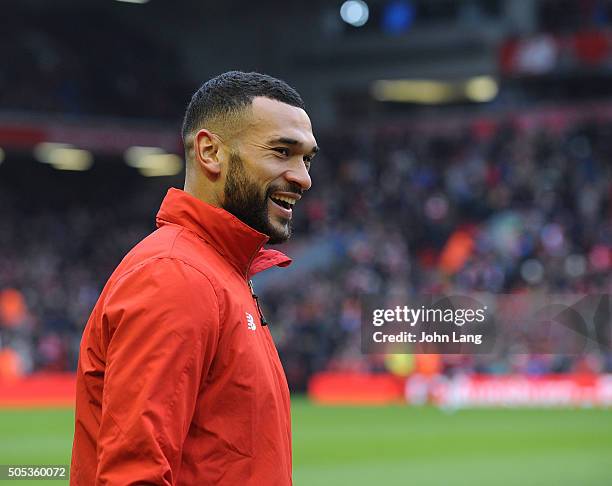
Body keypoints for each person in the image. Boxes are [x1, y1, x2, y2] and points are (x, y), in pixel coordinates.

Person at [70, 71, 318, 485]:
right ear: (209, 151)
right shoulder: (177, 277)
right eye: (281, 152)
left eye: (306, 158)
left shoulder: (219, 273)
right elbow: (134, 476)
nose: (303, 177)